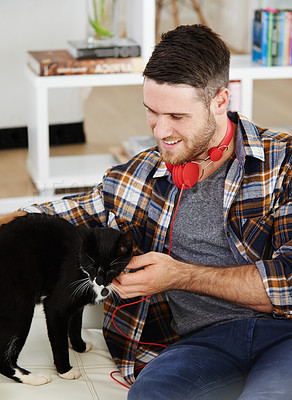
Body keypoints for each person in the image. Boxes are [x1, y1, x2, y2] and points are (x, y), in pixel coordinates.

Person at [1, 24, 292, 399]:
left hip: (283, 335)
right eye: (151, 112)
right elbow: (60, 213)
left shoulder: (283, 162)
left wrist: (180, 276)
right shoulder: (135, 176)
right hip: (198, 344)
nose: (160, 131)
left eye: (177, 116)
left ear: (221, 100)